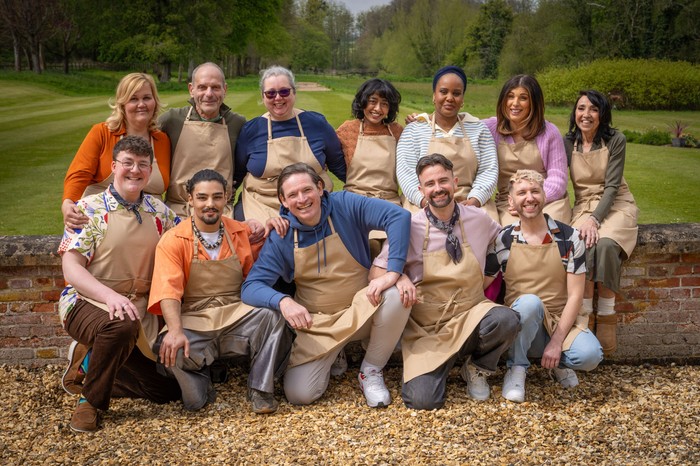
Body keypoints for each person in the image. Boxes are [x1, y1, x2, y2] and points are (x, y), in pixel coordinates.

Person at [241, 163, 411, 408]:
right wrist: (283, 301)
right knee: (300, 395)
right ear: (283, 201)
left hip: (362, 308)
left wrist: (394, 271)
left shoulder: (345, 204)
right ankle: (334, 352)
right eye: (292, 195)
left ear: (320, 187)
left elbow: (398, 216)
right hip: (318, 324)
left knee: (395, 295)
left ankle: (371, 370)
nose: (302, 199)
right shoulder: (282, 236)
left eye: (307, 190)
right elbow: (251, 287)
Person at [372, 154, 519, 410]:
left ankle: (476, 367)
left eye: (443, 181)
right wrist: (400, 276)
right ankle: (442, 363)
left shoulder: (478, 218)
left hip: (471, 315)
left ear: (455, 182)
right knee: (422, 402)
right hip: (430, 330)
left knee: (507, 320)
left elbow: (507, 238)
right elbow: (376, 272)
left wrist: (532, 217)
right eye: (430, 184)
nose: (437, 188)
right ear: (420, 190)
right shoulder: (409, 226)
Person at [58, 136, 182, 433]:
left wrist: (247, 228)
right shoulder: (89, 208)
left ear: (150, 170)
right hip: (86, 302)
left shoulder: (161, 211)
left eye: (142, 164)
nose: (135, 170)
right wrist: (109, 297)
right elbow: (71, 266)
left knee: (167, 391)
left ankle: (89, 365)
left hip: (139, 309)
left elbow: (191, 238)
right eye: (127, 163)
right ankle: (90, 402)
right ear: (114, 166)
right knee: (120, 323)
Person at [147, 169, 294, 413]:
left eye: (217, 197)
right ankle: (200, 383)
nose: (210, 204)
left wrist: (271, 225)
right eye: (202, 197)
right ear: (190, 199)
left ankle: (260, 388)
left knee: (274, 317)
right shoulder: (173, 240)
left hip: (237, 312)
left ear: (226, 197)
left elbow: (263, 259)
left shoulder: (240, 231)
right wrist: (174, 330)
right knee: (166, 346)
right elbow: (168, 291)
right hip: (195, 316)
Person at [485, 169, 603, 403]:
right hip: (520, 321)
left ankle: (554, 360)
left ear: (544, 196)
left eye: (535, 191)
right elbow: (483, 282)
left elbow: (576, 296)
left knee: (590, 356)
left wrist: (557, 342)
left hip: (560, 319)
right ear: (511, 201)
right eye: (522, 193)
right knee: (530, 302)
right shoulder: (503, 239)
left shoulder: (570, 238)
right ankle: (516, 368)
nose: (529, 198)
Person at [565, 90, 639, 356]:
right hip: (584, 204)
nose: (586, 114)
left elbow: (611, 186)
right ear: (575, 113)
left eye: (593, 109)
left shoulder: (615, 140)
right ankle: (584, 315)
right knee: (581, 246)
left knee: (606, 244)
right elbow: (557, 179)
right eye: (581, 108)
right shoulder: (568, 142)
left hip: (616, 202)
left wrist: (595, 220)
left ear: (602, 114)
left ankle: (606, 316)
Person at [234, 66, 346, 223]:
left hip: (311, 205)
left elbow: (340, 167)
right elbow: (236, 175)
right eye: (271, 93)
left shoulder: (316, 124)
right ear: (263, 96)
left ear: (294, 92)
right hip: (262, 207)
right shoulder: (251, 131)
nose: (278, 98)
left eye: (284, 91)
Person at [62, 72, 171, 232]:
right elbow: (79, 173)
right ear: (122, 104)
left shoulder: (162, 140)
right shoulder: (102, 133)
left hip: (148, 227)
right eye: (134, 99)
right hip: (101, 222)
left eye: (147, 98)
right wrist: (68, 203)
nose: (141, 104)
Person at [396, 65, 498, 220]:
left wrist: (475, 200)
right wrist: (424, 201)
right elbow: (406, 173)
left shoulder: (478, 129)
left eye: (456, 93)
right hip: (424, 202)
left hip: (470, 201)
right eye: (443, 92)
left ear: (462, 99)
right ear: (434, 96)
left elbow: (488, 170)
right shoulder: (414, 130)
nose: (450, 98)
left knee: (490, 240)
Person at [159, 62, 246, 217]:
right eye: (202, 87)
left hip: (220, 213)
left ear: (225, 89)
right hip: (178, 211)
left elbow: (247, 164)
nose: (209, 93)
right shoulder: (172, 120)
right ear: (191, 89)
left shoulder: (237, 123)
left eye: (215, 87)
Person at [484, 75, 571, 226]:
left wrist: (533, 199)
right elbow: (462, 126)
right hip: (510, 203)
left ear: (534, 103)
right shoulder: (490, 128)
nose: (515, 103)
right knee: (513, 234)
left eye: (523, 98)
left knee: (549, 232)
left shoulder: (549, 132)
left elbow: (558, 178)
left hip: (547, 200)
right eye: (510, 96)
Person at [336, 78, 404, 259]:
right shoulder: (348, 130)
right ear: (362, 102)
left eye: (384, 104)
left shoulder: (397, 131)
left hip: (388, 202)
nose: (377, 109)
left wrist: (419, 123)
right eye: (372, 101)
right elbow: (327, 159)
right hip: (354, 203)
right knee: (369, 246)